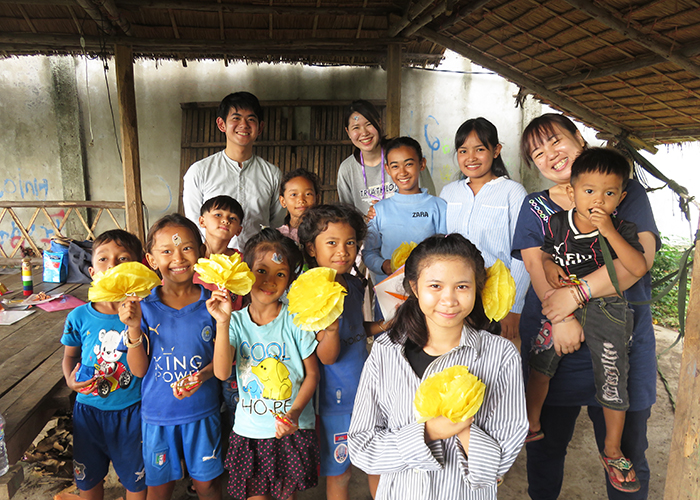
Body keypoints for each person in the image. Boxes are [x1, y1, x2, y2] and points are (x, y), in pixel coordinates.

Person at [512, 113, 660, 500]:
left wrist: (574, 297)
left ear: (578, 138)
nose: (550, 155)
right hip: (555, 338)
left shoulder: (620, 190)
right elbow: (535, 263)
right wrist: (557, 317)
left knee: (626, 452)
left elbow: (637, 264)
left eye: (556, 141)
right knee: (545, 449)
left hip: (618, 337)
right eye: (537, 152)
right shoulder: (537, 207)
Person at [348, 233, 527, 499]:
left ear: (478, 288)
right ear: (414, 287)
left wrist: (462, 426)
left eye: (462, 287)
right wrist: (430, 431)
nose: (449, 299)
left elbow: (497, 466)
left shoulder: (500, 356)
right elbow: (362, 448)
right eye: (435, 286)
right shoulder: (386, 351)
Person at [120, 214, 225, 500]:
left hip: (202, 413)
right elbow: (139, 370)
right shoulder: (143, 308)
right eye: (166, 251)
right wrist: (132, 328)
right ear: (151, 260)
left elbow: (223, 362)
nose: (177, 258)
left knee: (207, 485)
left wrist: (202, 375)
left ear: (202, 251)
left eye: (186, 248)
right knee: (160, 487)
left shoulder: (213, 305)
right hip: (158, 416)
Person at [212, 228, 320, 500]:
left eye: (280, 274)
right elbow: (222, 372)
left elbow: (312, 375)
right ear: (245, 273)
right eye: (261, 271)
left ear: (290, 280)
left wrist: (294, 414)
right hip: (250, 433)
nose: (269, 280)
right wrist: (222, 323)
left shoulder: (296, 321)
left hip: (290, 431)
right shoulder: (234, 321)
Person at [297, 204, 378, 500]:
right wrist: (330, 328)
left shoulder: (354, 284)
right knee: (340, 472)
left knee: (376, 462)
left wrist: (383, 325)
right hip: (334, 400)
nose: (342, 251)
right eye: (331, 243)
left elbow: (356, 331)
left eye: (350, 242)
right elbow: (327, 356)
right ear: (311, 248)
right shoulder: (309, 293)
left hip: (365, 392)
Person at [61, 229, 146, 500]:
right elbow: (70, 357)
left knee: (136, 481)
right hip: (88, 412)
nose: (112, 266)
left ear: (136, 268)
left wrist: (133, 325)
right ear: (91, 271)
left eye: (123, 260)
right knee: (88, 481)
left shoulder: (145, 313)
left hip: (132, 412)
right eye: (103, 259)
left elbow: (140, 369)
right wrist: (69, 380)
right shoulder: (78, 316)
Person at [439, 117, 529, 340]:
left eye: (479, 149)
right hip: (454, 295)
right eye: (463, 150)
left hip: (498, 297)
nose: (471, 158)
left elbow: (523, 253)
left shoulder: (512, 192)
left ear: (496, 150)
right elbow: (439, 243)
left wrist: (514, 306)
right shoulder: (448, 192)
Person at [182, 91, 285, 248]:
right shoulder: (199, 171)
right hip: (213, 264)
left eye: (251, 119)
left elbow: (276, 224)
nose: (244, 125)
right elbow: (194, 224)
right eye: (236, 118)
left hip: (258, 263)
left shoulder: (272, 174)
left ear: (260, 127)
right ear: (221, 124)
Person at [363, 136, 447, 284]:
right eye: (395, 166)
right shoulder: (379, 210)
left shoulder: (438, 206)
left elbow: (446, 249)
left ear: (422, 164)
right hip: (389, 293)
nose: (402, 172)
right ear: (387, 169)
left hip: (428, 288)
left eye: (408, 164)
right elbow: (369, 252)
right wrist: (384, 265)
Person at [337, 100, 435, 218]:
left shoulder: (405, 156)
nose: (364, 133)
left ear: (379, 123)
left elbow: (429, 202)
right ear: (348, 132)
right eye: (356, 127)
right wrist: (367, 219)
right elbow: (347, 215)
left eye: (369, 124)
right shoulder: (347, 169)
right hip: (369, 235)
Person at [277, 168, 320, 243]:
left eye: (308, 194)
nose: (301, 200)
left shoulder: (325, 232)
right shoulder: (278, 236)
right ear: (283, 201)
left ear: (317, 198)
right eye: (294, 195)